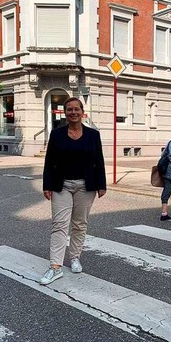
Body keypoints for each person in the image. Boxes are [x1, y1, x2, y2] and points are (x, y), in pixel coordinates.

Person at [40, 97, 107, 285]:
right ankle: (55, 267)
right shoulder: (57, 134)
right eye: (69, 109)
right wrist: (47, 185)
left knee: (79, 224)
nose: (73, 112)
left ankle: (75, 257)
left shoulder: (93, 135)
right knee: (59, 224)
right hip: (62, 185)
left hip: (86, 186)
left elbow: (99, 161)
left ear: (82, 112)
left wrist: (102, 184)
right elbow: (49, 160)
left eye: (76, 109)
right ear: (65, 112)